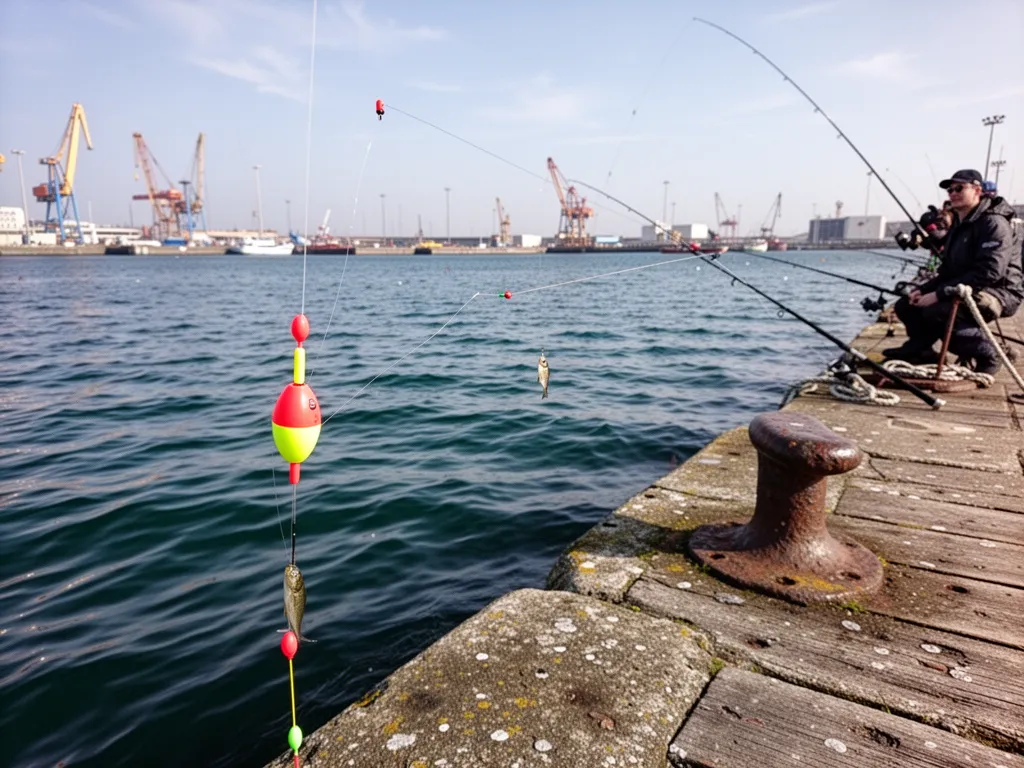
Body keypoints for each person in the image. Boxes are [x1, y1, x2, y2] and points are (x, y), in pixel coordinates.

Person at [886, 169, 1023, 374]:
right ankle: (921, 351)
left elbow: (989, 272)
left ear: (977, 190)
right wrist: (923, 290)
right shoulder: (960, 225)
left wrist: (938, 294)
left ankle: (989, 354)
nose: (953, 193)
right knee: (906, 305)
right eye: (950, 189)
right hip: (969, 285)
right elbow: (948, 270)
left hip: (999, 291)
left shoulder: (993, 223)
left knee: (939, 312)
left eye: (959, 188)